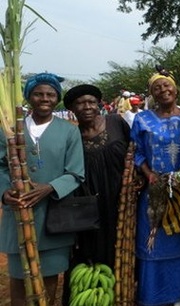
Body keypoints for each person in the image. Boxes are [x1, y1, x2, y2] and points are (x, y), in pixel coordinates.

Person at [0, 73, 85, 306]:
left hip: (53, 215)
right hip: (18, 214)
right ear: (28, 96)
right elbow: (0, 166)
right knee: (19, 278)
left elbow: (76, 172)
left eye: (50, 94)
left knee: (48, 279)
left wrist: (49, 187)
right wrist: (5, 193)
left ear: (57, 98)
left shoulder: (68, 131)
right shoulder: (9, 129)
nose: (44, 98)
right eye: (38, 93)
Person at [131, 70, 180, 306]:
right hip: (153, 190)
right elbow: (138, 151)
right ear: (151, 94)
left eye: (166, 86)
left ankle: (178, 295)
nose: (163, 91)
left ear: (175, 87)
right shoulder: (142, 120)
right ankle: (152, 296)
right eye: (156, 88)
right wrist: (149, 174)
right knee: (151, 240)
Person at [61, 84, 131, 303]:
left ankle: (119, 295)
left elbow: (134, 152)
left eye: (91, 101)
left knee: (119, 246)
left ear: (99, 103)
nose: (87, 106)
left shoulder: (116, 122)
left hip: (119, 199)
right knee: (84, 249)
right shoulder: (70, 134)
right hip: (85, 203)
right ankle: (87, 295)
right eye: (80, 103)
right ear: (72, 108)